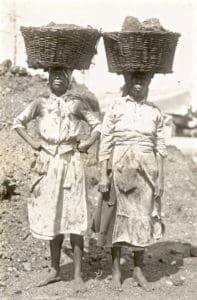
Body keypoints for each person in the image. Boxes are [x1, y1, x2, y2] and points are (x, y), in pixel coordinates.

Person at [13, 67, 101, 291]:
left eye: (62, 76)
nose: (57, 80)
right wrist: (34, 143)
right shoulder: (41, 103)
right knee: (54, 216)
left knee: (75, 216)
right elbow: (18, 122)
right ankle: (54, 269)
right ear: (49, 80)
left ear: (68, 80)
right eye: (53, 76)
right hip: (48, 162)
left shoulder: (77, 103)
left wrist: (88, 143)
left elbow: (99, 125)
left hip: (71, 161)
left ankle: (78, 274)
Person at [99, 71, 166, 291]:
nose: (138, 82)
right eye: (134, 78)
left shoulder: (155, 111)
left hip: (147, 170)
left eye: (143, 78)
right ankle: (116, 270)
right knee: (118, 220)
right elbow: (105, 142)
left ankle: (138, 269)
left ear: (149, 82)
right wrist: (103, 174)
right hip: (120, 167)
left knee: (142, 218)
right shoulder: (116, 107)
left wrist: (160, 179)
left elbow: (160, 148)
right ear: (128, 81)